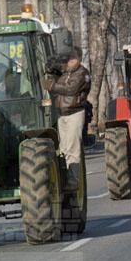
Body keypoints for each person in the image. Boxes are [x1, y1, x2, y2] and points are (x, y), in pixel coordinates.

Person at [44, 47, 91, 190]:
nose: (69, 61)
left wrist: (53, 86)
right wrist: (51, 68)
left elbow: (71, 89)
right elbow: (56, 76)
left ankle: (73, 181)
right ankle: (65, 178)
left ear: (78, 59)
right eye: (68, 59)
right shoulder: (66, 73)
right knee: (63, 148)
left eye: (72, 59)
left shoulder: (82, 73)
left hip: (75, 114)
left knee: (72, 149)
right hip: (62, 114)